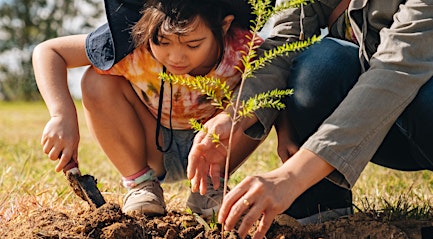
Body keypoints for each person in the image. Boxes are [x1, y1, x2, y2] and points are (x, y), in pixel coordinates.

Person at [186, 0, 433, 239]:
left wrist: (291, 175)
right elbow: (285, 40)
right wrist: (238, 114)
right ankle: (322, 211)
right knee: (318, 65)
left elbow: (399, 69)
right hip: (385, 116)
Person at [32, 0, 263, 217]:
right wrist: (61, 115)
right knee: (96, 81)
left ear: (223, 27)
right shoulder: (132, 43)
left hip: (218, 146)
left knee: (268, 90)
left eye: (193, 44)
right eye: (163, 42)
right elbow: (49, 51)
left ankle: (210, 188)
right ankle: (141, 185)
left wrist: (286, 136)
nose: (176, 57)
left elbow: (281, 77)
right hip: (153, 145)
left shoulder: (245, 48)